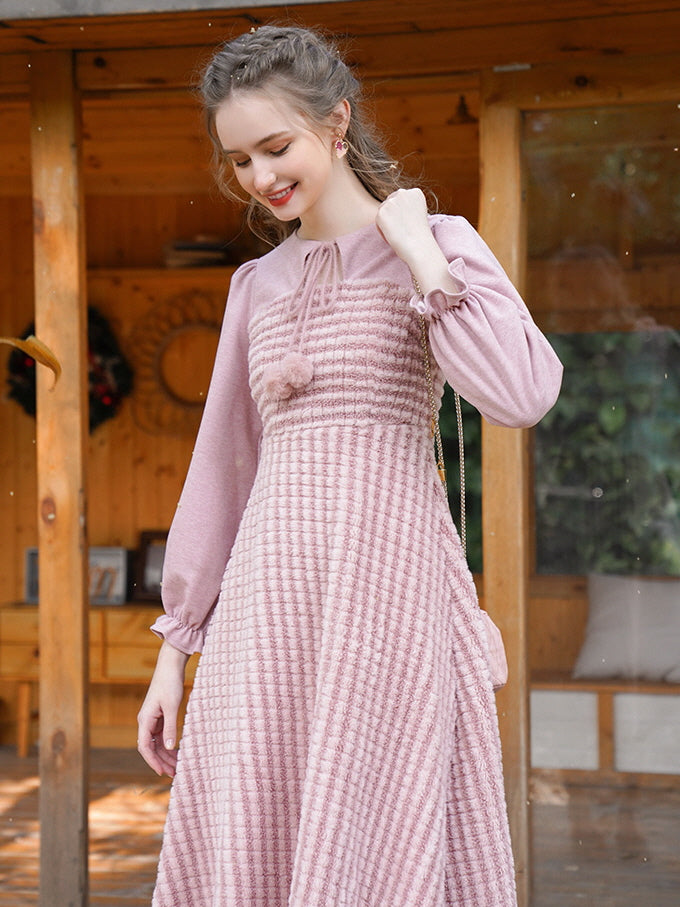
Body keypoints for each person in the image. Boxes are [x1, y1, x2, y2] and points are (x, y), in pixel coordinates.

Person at [137, 24, 562, 907]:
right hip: (269, 606)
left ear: (335, 124)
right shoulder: (254, 285)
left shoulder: (438, 242)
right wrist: (175, 650)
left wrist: (421, 255)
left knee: (380, 827)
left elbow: (518, 394)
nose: (260, 178)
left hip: (386, 594)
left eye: (276, 147)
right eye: (240, 160)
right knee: (262, 819)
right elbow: (225, 461)